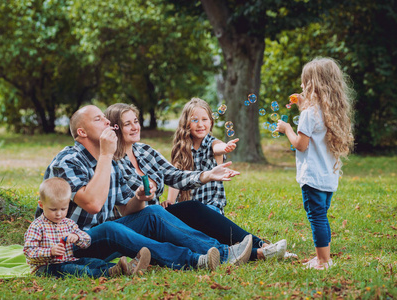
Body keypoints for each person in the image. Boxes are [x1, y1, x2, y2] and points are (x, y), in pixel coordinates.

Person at [35, 105, 253, 271]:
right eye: (98, 119)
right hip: (65, 244)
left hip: (98, 240)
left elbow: (127, 210)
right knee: (111, 228)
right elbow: (92, 204)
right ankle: (194, 260)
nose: (106, 122)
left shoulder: (110, 160)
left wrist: (139, 197)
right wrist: (105, 155)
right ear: (82, 132)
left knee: (153, 212)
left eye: (105, 117)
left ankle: (224, 253)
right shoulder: (67, 161)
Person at [105, 103, 289, 262]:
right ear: (114, 128)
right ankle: (254, 254)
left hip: (160, 216)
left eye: (135, 121)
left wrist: (207, 175)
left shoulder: (145, 151)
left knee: (193, 208)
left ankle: (263, 245)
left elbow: (176, 176)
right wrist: (140, 197)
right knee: (180, 227)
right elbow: (124, 210)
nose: (135, 127)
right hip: (141, 224)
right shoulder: (111, 161)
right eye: (127, 124)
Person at [276, 57, 354, 270]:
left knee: (317, 218)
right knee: (322, 216)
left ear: (312, 85)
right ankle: (323, 257)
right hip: (328, 177)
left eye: (304, 82)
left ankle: (323, 261)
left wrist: (286, 129)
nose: (301, 86)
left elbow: (301, 145)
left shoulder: (309, 114)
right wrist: (303, 106)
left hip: (312, 177)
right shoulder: (331, 112)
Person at [25, 177, 151, 278]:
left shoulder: (68, 223)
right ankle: (111, 273)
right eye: (53, 209)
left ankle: (127, 267)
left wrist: (77, 237)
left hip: (70, 260)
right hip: (46, 268)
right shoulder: (37, 226)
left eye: (63, 209)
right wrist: (50, 252)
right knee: (75, 270)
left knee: (92, 262)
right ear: (41, 205)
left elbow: (87, 241)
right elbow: (29, 252)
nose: (59, 214)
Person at [166, 98, 238, 215]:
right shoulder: (182, 148)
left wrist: (225, 147)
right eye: (194, 120)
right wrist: (170, 201)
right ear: (186, 123)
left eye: (204, 119)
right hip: (189, 208)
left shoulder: (211, 143)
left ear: (211, 122)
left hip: (211, 208)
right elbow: (176, 178)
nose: (200, 124)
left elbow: (217, 147)